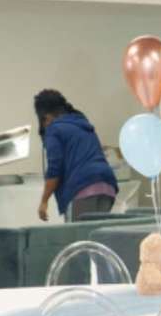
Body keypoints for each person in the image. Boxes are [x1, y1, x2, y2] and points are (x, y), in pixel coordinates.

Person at [34, 88, 116, 220]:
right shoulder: (81, 123)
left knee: (78, 238)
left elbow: (55, 169)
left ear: (47, 117)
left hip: (83, 188)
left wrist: (44, 201)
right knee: (94, 237)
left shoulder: (54, 129)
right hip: (107, 187)